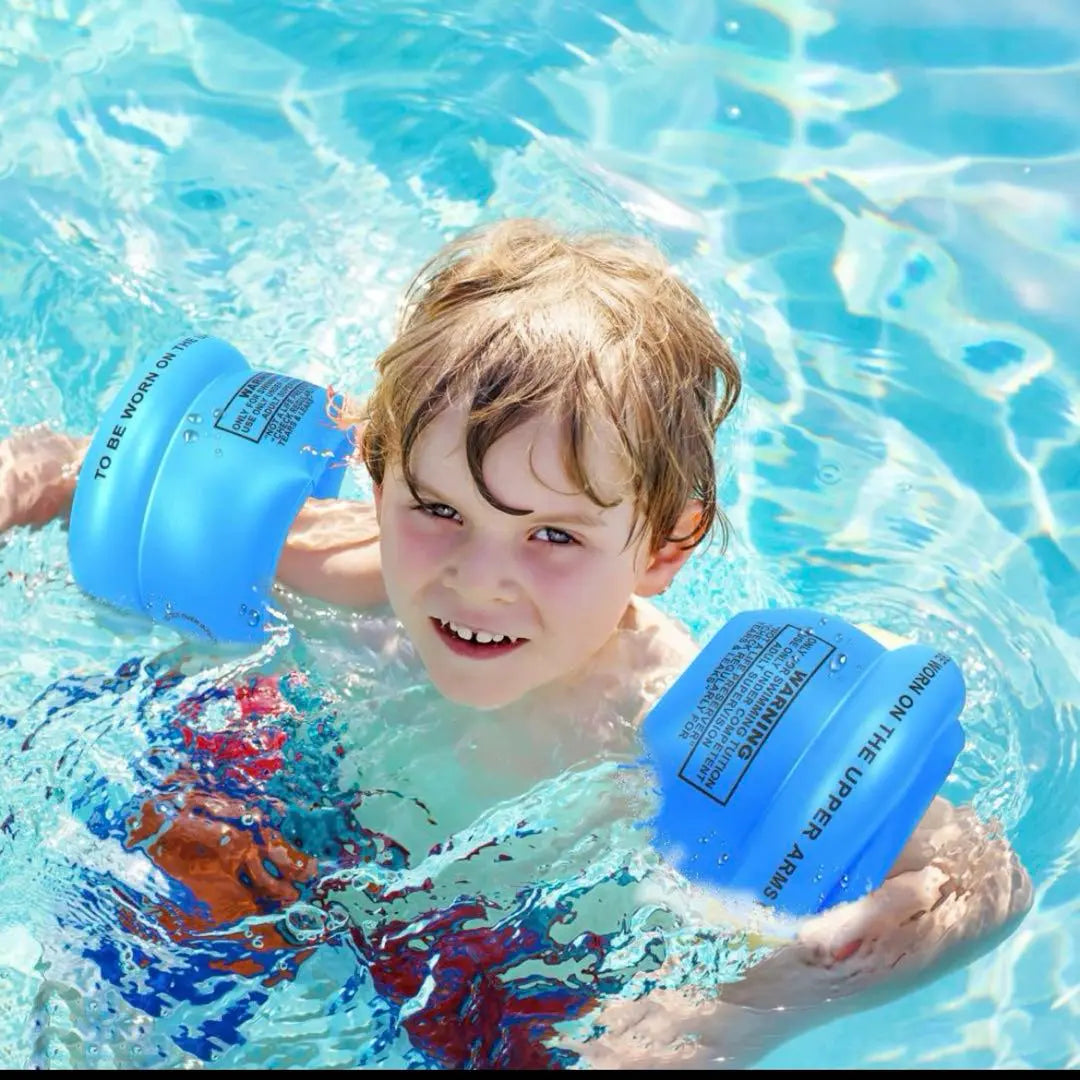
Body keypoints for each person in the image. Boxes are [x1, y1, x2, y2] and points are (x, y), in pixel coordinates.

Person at [0, 218, 1032, 1068]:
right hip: (286, 795)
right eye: (438, 508)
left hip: (505, 941)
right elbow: (79, 465)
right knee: (100, 988)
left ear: (666, 546)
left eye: (552, 536)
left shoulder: (678, 715)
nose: (477, 577)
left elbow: (984, 881)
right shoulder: (339, 555)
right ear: (377, 469)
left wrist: (755, 1006)